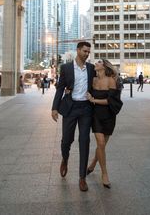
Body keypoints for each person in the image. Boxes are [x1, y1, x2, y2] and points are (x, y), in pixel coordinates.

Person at [51, 41, 95, 192]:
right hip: (70, 108)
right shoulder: (66, 68)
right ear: (77, 51)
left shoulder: (91, 68)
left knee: (85, 141)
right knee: (66, 140)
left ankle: (82, 178)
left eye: (88, 52)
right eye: (84, 51)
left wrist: (94, 96)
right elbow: (60, 88)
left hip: (85, 109)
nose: (86, 54)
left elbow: (96, 84)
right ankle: (65, 158)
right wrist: (54, 108)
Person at [87, 59, 123, 188]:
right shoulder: (93, 81)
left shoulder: (110, 80)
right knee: (100, 144)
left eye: (98, 62)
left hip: (108, 116)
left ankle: (92, 165)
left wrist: (93, 100)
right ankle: (104, 174)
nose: (95, 64)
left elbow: (111, 101)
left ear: (104, 66)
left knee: (101, 147)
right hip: (96, 115)